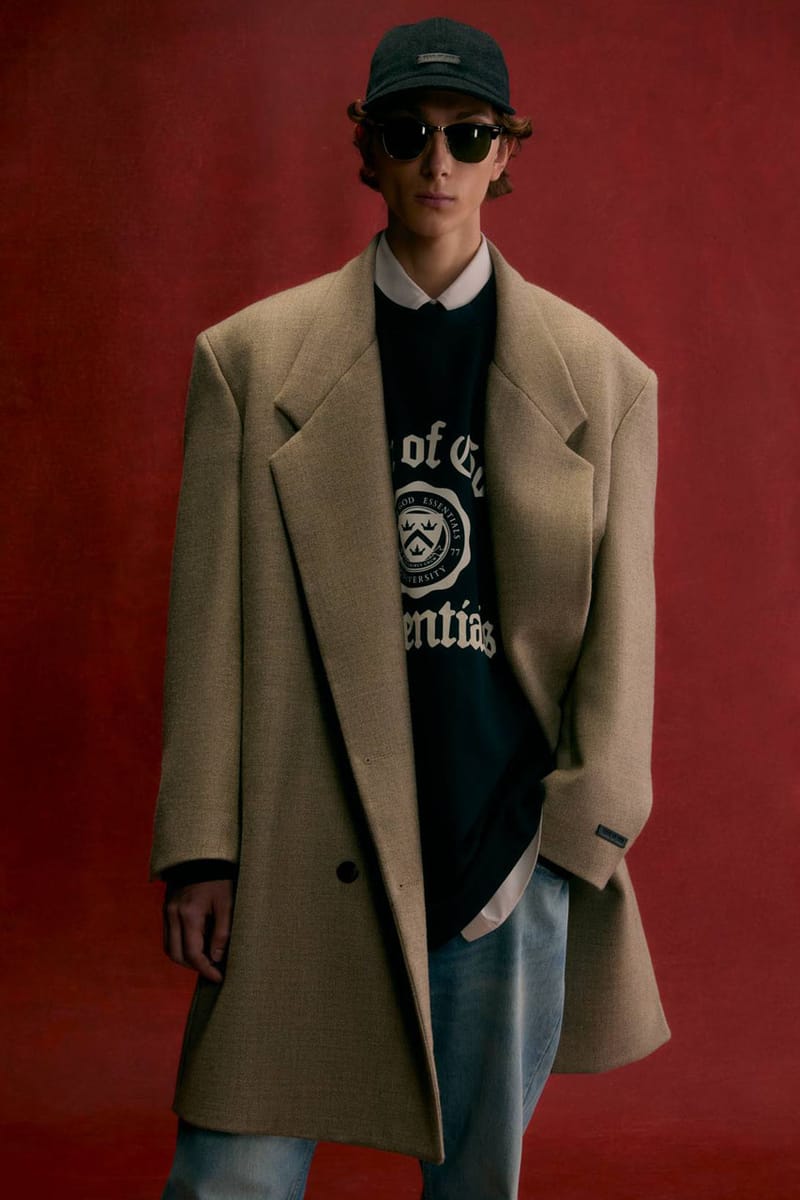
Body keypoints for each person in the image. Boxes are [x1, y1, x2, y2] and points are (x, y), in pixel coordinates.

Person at [150, 16, 669, 1200]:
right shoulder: (249, 361)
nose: (438, 161)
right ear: (367, 152)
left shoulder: (603, 380)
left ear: (505, 153)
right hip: (296, 847)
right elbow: (207, 626)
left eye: (467, 135)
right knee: (229, 1179)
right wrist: (201, 850)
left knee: (475, 1186)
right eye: (407, 132)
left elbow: (621, 635)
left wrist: (575, 838)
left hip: (504, 856)